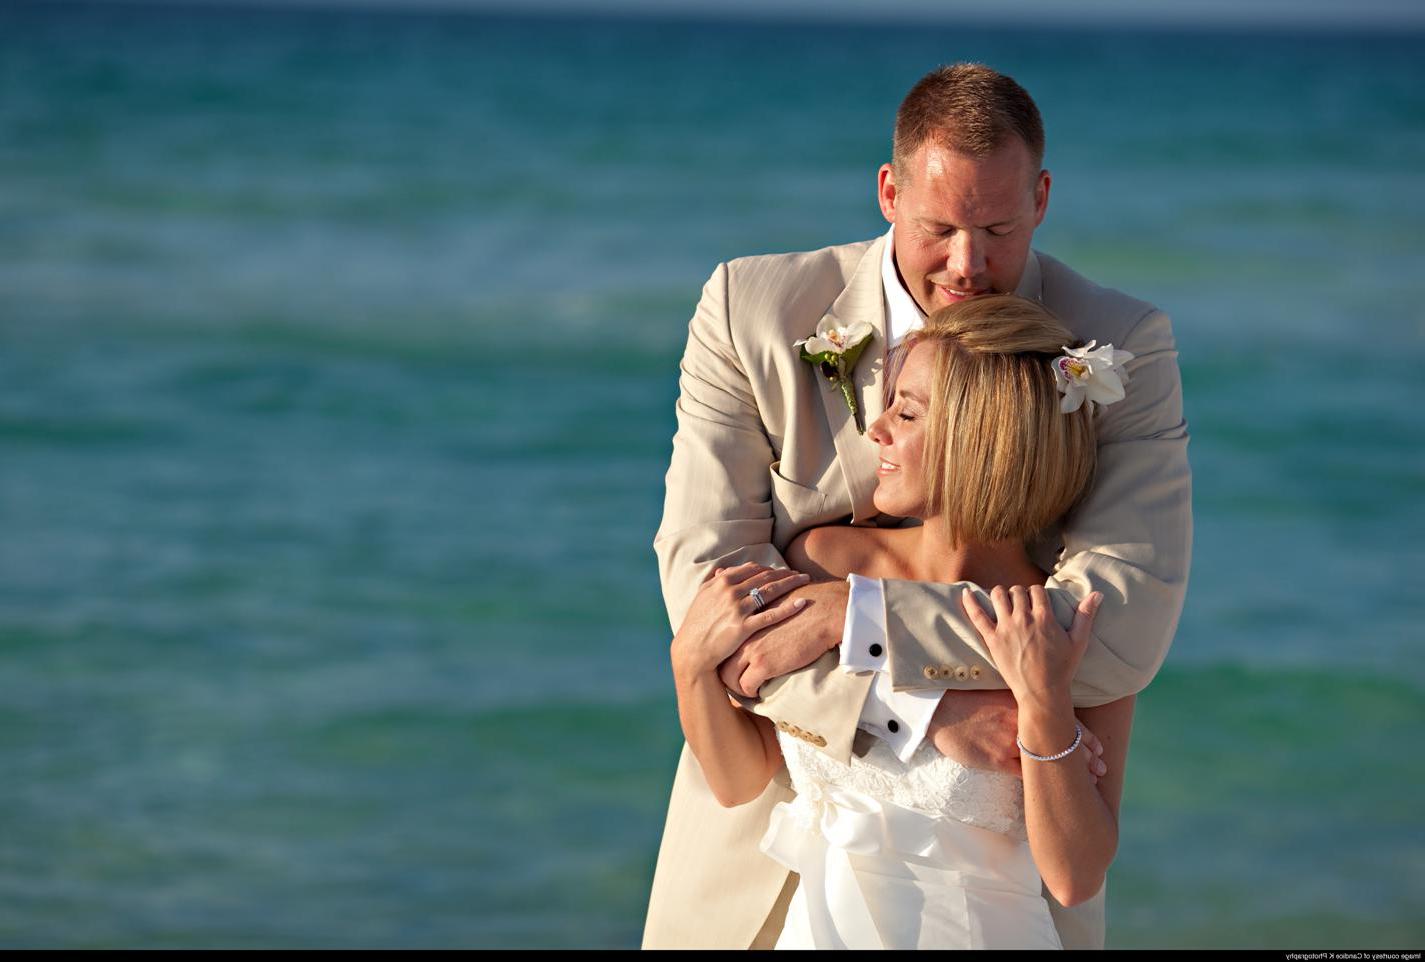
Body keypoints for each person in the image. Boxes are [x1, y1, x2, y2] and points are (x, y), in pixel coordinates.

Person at [644, 63, 1190, 950]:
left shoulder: (1114, 346)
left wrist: (858, 619)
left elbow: (1120, 631)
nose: (968, 265)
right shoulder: (751, 310)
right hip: (770, 878)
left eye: (999, 228)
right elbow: (712, 608)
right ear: (889, 192)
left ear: (1042, 197)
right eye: (938, 227)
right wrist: (919, 719)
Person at [670, 296, 1136, 949]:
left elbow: (1074, 877)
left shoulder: (1062, 628)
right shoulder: (824, 562)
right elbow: (738, 779)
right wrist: (689, 665)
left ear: (982, 440)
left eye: (907, 411)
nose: (875, 430)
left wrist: (1042, 706)